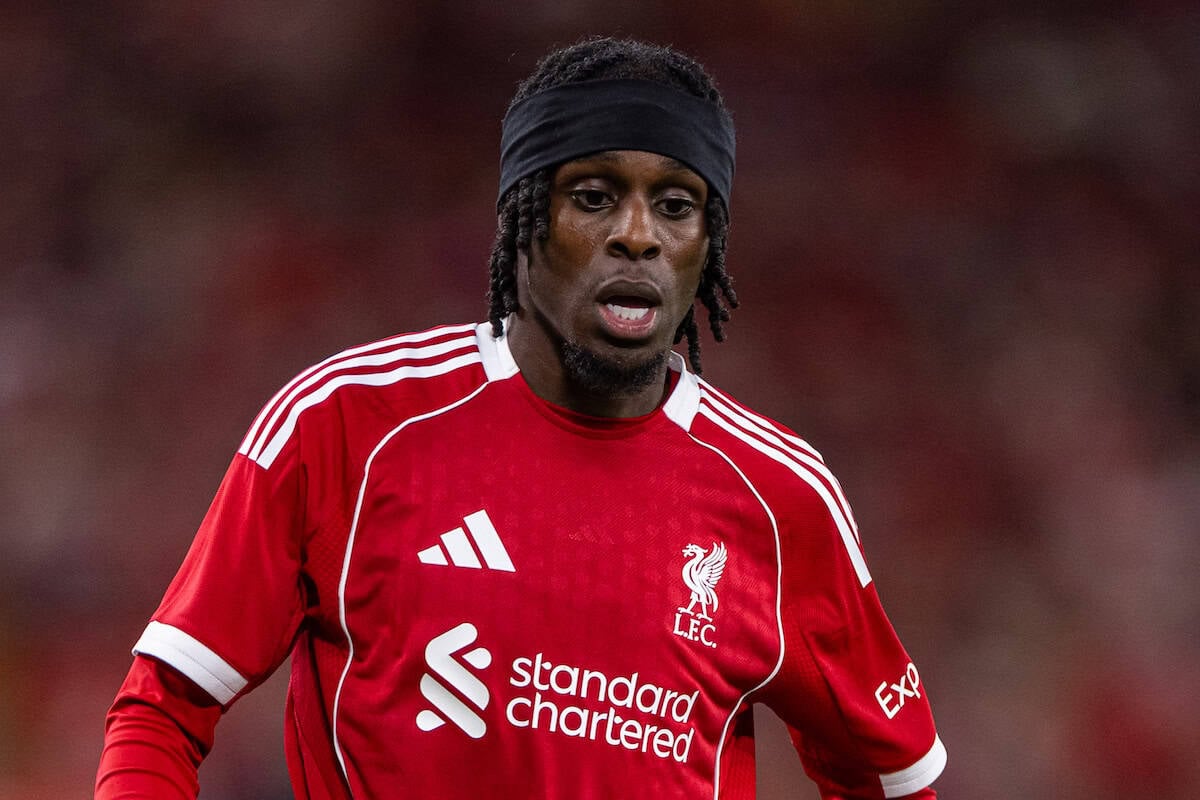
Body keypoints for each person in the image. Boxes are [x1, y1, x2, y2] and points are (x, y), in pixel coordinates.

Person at [96, 36, 946, 799]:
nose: (638, 236)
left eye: (677, 205)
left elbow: (892, 778)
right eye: (594, 194)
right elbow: (161, 712)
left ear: (708, 246)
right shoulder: (348, 425)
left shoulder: (779, 497)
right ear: (520, 219)